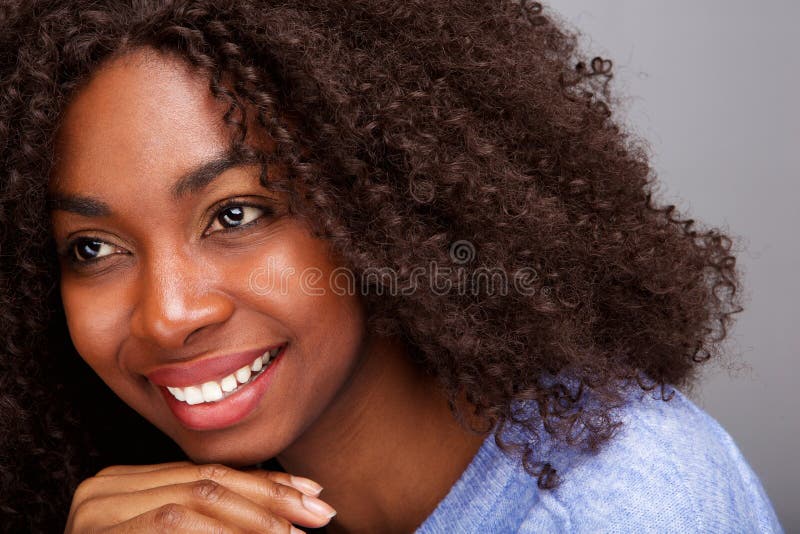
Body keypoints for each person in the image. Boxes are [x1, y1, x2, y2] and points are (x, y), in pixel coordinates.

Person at [0, 0, 784, 532]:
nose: (167, 315)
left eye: (236, 214)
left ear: (385, 204)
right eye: (93, 249)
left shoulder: (618, 508)